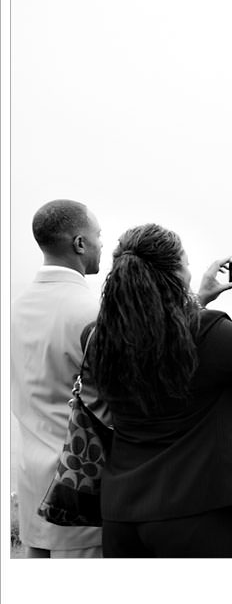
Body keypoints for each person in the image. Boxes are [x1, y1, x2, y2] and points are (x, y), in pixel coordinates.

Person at [88, 223, 232, 557]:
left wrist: (198, 299)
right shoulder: (206, 331)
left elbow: (159, 335)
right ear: (176, 273)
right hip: (192, 511)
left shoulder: (97, 336)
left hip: (121, 511)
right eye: (187, 264)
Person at [10, 199, 106, 558]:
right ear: (80, 244)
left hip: (30, 479)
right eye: (98, 236)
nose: (101, 246)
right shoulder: (93, 312)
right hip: (81, 483)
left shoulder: (14, 310)